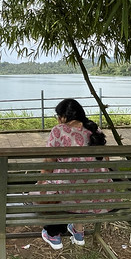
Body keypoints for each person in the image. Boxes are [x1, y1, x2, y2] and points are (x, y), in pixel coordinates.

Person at [40, 97, 108, 251]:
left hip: (70, 194)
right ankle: (78, 232)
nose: (58, 119)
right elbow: (106, 160)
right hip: (99, 194)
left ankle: (53, 234)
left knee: (53, 186)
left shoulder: (58, 131)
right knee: (81, 182)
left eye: (58, 116)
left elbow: (48, 164)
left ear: (64, 117)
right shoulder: (95, 129)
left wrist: (41, 182)